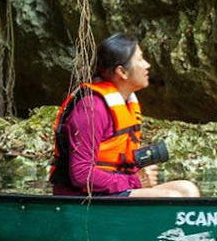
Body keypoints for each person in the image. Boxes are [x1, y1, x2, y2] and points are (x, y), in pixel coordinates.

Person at [49, 33, 200, 197]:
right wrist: (135, 181)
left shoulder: (126, 102)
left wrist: (138, 172)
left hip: (113, 189)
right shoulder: (91, 109)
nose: (147, 65)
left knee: (187, 189)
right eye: (140, 59)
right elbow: (81, 174)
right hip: (84, 197)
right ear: (122, 72)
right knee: (170, 197)